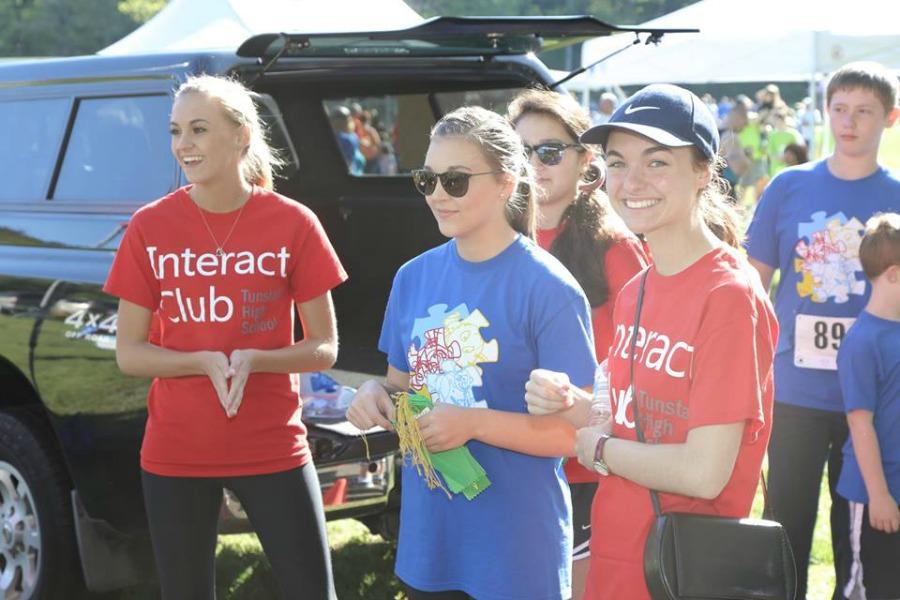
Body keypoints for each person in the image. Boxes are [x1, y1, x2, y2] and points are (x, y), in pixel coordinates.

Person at [523, 83, 778, 600]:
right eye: (618, 162)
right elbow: (631, 414)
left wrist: (594, 448)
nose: (632, 181)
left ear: (704, 170)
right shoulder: (639, 286)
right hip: (617, 561)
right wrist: (572, 404)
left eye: (656, 162)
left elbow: (704, 472)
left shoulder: (728, 295)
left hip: (683, 572)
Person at [104, 75, 345, 600]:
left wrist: (258, 358)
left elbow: (324, 346)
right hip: (176, 450)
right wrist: (203, 361)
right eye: (175, 131)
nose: (182, 144)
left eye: (198, 129)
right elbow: (129, 353)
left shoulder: (294, 223)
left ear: (240, 136)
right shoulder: (150, 227)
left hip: (273, 444)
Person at [346, 105, 597, 600]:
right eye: (427, 179)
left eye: (455, 181)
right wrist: (374, 393)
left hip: (515, 545)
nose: (438, 194)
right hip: (431, 538)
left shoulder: (548, 288)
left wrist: (474, 423)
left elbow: (576, 434)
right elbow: (404, 390)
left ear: (506, 183)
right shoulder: (412, 276)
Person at [745, 61, 900, 600]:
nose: (849, 122)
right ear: (825, 113)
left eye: (864, 112)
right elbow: (751, 286)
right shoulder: (789, 187)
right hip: (795, 391)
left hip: (875, 399)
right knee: (784, 521)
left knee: (855, 532)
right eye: (839, 109)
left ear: (891, 118)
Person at [507, 88, 648, 600]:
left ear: (586, 161)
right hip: (502, 460)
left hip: (582, 467)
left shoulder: (615, 249)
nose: (534, 165)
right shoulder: (489, 240)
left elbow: (636, 370)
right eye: (520, 151)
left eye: (549, 151)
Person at [836, 212, 900, 600]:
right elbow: (861, 425)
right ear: (893, 274)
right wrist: (878, 495)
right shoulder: (863, 341)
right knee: (860, 590)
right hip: (872, 496)